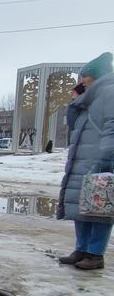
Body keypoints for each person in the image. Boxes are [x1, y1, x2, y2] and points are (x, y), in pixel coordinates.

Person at [57, 52, 114, 270]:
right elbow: (73, 124)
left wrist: (107, 160)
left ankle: (95, 254)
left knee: (100, 208)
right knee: (81, 205)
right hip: (83, 157)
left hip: (100, 158)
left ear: (97, 75)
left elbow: (112, 126)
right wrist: (76, 99)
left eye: (85, 77)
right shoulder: (90, 97)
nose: (81, 81)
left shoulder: (109, 92)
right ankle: (81, 249)